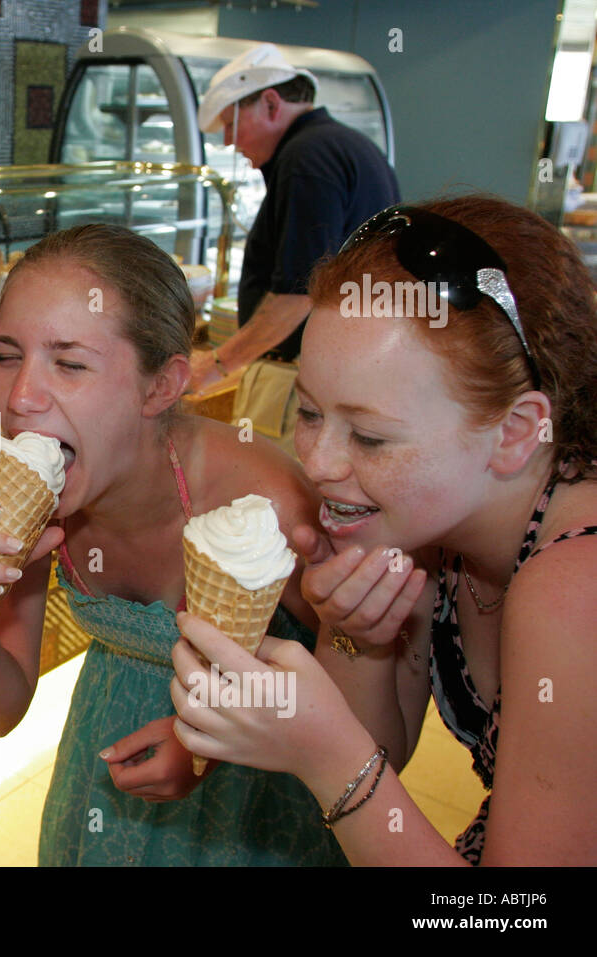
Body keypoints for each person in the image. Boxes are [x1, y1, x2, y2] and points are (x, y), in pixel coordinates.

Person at [170, 197, 597, 865]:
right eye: (308, 412)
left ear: (515, 432)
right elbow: (383, 746)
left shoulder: (575, 588)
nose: (318, 463)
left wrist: (328, 759)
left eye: (369, 436)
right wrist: (357, 635)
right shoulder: (427, 529)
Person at [0, 224, 347, 866]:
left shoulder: (266, 507)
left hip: (261, 804)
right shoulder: (37, 501)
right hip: (100, 785)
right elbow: (0, 707)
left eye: (69, 363)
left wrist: (206, 745)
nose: (19, 398)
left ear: (161, 387)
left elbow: (365, 704)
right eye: (8, 354)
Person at [189, 44, 400, 392]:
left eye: (231, 124)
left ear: (271, 103)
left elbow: (298, 294)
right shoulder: (347, 144)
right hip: (345, 367)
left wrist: (215, 365)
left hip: (301, 375)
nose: (228, 142)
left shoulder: (306, 158)